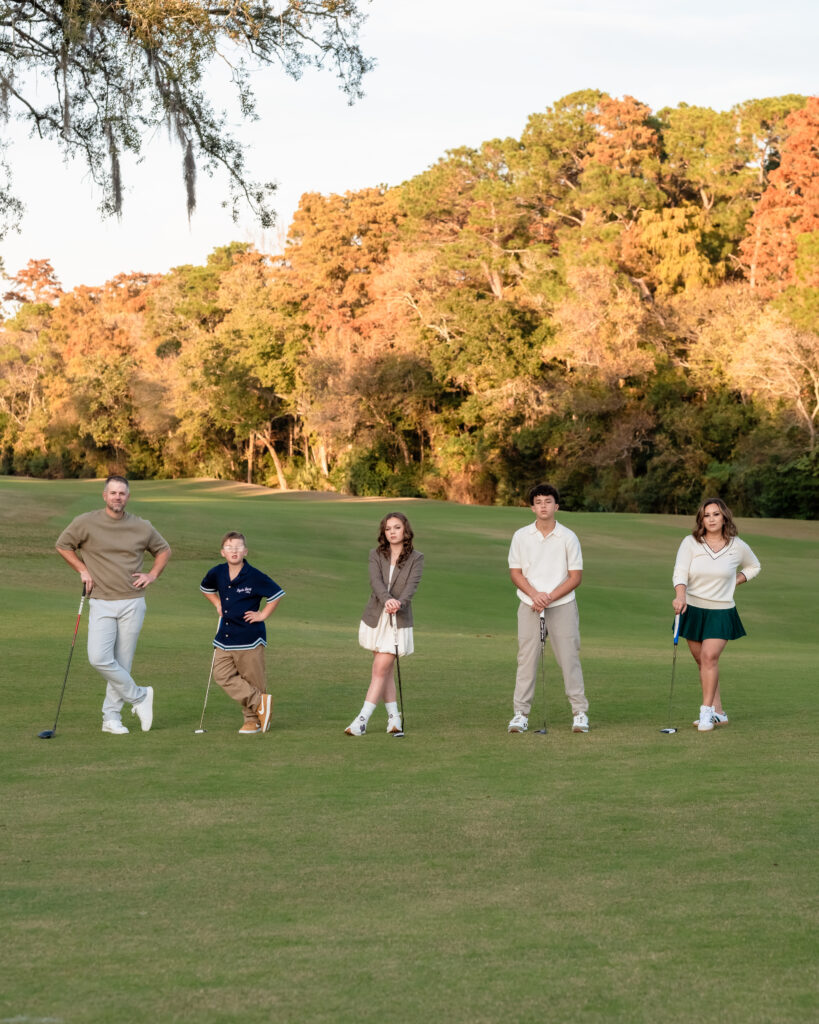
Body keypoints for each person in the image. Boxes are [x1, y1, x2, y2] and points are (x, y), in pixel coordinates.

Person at [55, 475, 171, 734]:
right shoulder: (86, 522)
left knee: (122, 661)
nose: (118, 497)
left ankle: (111, 718)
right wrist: (83, 570)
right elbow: (63, 545)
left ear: (128, 497)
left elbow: (164, 550)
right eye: (113, 493)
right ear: (104, 495)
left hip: (133, 601)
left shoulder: (141, 526)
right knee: (99, 658)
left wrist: (152, 575)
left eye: (122, 493)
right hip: (101, 601)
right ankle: (140, 696)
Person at [672, 498, 761, 732]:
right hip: (692, 609)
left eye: (716, 514)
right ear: (701, 519)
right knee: (703, 662)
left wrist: (736, 580)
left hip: (721, 611)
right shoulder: (690, 543)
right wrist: (680, 596)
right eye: (707, 515)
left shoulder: (737, 545)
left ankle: (706, 713)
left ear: (724, 518)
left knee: (710, 657)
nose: (711, 519)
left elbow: (754, 566)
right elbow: (680, 572)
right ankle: (719, 712)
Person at [507, 483, 590, 734]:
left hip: (562, 604)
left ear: (557, 506)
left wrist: (549, 597)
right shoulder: (521, 536)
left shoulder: (568, 537)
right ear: (532, 507)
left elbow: (575, 576)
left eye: (548, 501)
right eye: (538, 502)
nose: (543, 506)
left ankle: (579, 713)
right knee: (526, 659)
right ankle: (520, 714)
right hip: (529, 604)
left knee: (569, 658)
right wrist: (535, 595)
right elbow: (515, 572)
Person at [345, 512, 424, 736]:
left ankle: (362, 720)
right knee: (385, 672)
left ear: (405, 531)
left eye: (397, 527)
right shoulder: (375, 554)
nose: (392, 532)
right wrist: (387, 599)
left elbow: (412, 586)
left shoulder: (416, 558)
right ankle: (394, 718)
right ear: (384, 532)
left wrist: (398, 602)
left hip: (398, 620)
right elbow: (375, 581)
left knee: (379, 669)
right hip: (376, 617)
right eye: (388, 528)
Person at [199, 532, 285, 735]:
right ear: (222, 552)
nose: (234, 550)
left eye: (238, 547)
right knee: (221, 674)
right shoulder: (217, 572)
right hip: (224, 637)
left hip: (250, 638)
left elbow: (276, 593)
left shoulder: (254, 575)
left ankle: (252, 721)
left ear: (245, 551)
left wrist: (262, 614)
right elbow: (205, 588)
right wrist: (217, 603)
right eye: (229, 547)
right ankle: (260, 703)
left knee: (252, 679)